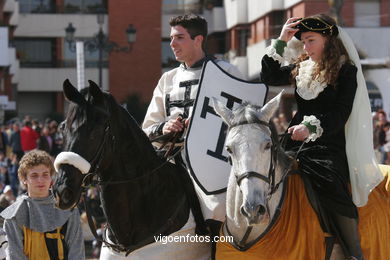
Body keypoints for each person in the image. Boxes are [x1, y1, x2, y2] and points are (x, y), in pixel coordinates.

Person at [260, 13, 383, 260]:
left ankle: (353, 251)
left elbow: (340, 114)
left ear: (328, 39)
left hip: (328, 143)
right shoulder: (301, 66)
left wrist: (310, 129)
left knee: (327, 179)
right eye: (303, 41)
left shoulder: (345, 70)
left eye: (311, 40)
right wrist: (282, 39)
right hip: (293, 140)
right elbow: (269, 77)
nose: (306, 47)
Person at [0, 150, 84, 260]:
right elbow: (15, 255)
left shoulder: (68, 210)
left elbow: (76, 253)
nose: (41, 180)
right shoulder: (13, 215)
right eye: (34, 175)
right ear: (24, 179)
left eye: (45, 174)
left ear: (51, 177)